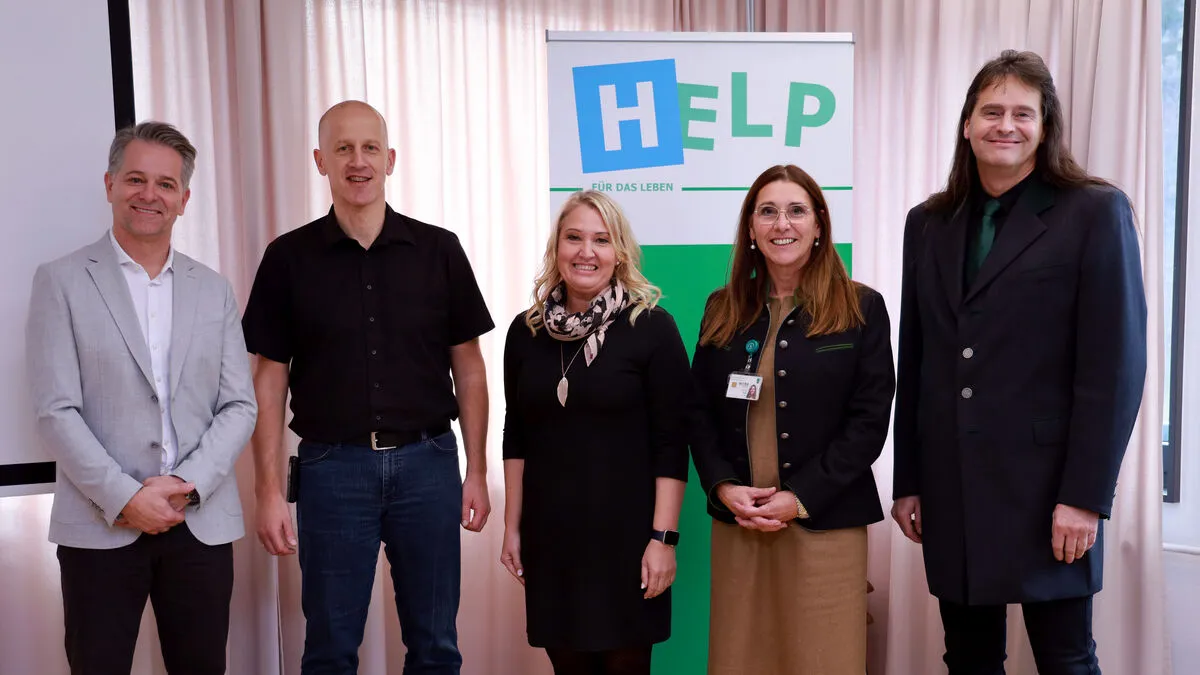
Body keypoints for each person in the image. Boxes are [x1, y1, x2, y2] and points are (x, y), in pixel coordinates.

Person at [892, 50, 1147, 675]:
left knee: (1065, 659)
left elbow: (1114, 368)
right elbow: (917, 356)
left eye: (1022, 113)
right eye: (991, 111)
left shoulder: (1094, 211)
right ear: (967, 125)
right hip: (952, 484)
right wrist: (909, 479)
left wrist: (1085, 496)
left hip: (1051, 491)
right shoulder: (927, 223)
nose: (1005, 125)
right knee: (969, 658)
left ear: (1045, 126)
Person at [243, 100, 494, 674]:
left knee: (435, 646)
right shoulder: (287, 259)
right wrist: (266, 489)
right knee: (329, 649)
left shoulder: (440, 249)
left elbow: (470, 365)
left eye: (370, 148)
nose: (358, 161)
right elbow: (269, 376)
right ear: (320, 160)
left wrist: (475, 470)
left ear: (391, 159)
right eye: (343, 148)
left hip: (428, 465)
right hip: (332, 470)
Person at [26, 121, 258, 675]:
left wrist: (186, 484)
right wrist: (127, 497)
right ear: (109, 184)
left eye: (165, 184)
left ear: (184, 199)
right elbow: (56, 409)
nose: (149, 194)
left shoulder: (214, 288)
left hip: (198, 521)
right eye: (135, 179)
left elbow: (239, 406)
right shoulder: (60, 281)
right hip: (100, 524)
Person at [690, 164, 895, 674]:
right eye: (768, 212)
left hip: (824, 524)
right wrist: (722, 487)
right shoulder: (722, 308)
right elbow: (696, 411)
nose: (783, 224)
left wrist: (799, 498)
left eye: (797, 211)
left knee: (823, 658)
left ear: (820, 224)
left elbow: (869, 421)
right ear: (752, 230)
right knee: (742, 658)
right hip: (742, 523)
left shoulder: (861, 307)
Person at [499, 190, 690, 675]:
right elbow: (515, 434)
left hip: (627, 542)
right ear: (556, 247)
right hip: (552, 539)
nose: (587, 251)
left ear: (619, 252)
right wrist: (511, 527)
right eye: (574, 238)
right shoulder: (526, 332)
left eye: (601, 240)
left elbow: (672, 443)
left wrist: (663, 539)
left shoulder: (651, 328)